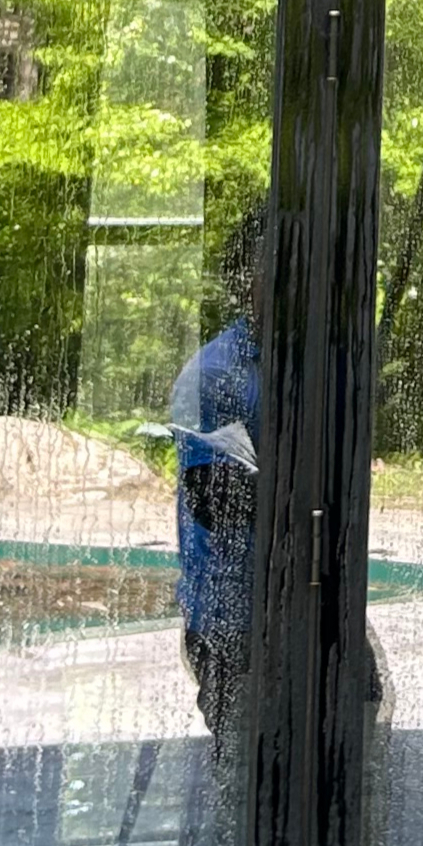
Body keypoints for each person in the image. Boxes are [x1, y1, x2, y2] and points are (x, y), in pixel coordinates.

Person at [167, 211, 266, 761]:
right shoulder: (216, 374)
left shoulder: (305, 363)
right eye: (269, 264)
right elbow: (217, 496)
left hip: (298, 604)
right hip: (232, 615)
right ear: (246, 277)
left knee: (366, 710)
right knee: (248, 772)